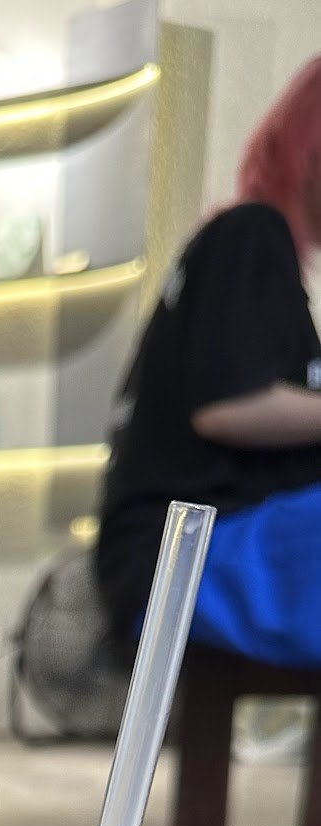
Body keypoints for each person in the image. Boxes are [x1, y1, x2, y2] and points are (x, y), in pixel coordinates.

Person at [96, 58, 321, 666]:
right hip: (182, 560)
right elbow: (230, 407)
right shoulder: (252, 234)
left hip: (203, 550)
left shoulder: (256, 256)